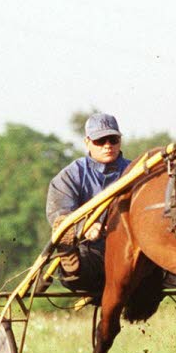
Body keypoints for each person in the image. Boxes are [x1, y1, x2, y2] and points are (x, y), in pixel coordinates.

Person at [45, 112, 132, 293]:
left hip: (131, 247)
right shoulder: (70, 175)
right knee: (81, 264)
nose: (108, 146)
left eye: (113, 140)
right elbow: (60, 213)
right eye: (100, 141)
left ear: (120, 141)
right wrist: (85, 227)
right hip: (90, 248)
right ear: (87, 142)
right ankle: (70, 262)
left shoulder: (135, 171)